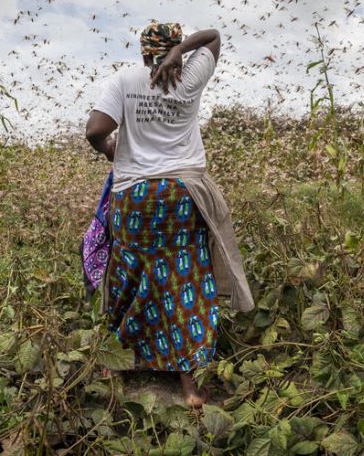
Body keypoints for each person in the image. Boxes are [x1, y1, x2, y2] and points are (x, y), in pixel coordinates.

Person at [85, 21, 254, 408]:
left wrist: (113, 151)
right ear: (176, 49)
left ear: (144, 52)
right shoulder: (189, 75)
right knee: (184, 278)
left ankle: (117, 366)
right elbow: (214, 35)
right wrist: (183, 52)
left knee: (128, 272)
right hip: (182, 194)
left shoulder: (124, 80)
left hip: (135, 198)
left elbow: (95, 130)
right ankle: (190, 388)